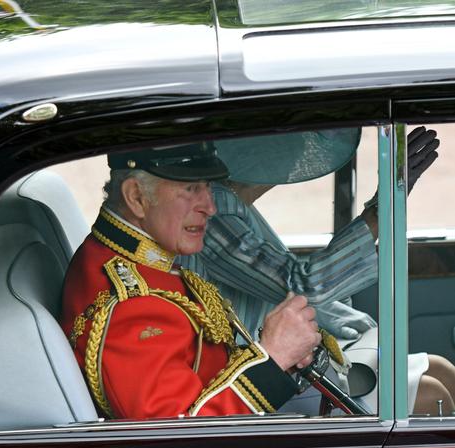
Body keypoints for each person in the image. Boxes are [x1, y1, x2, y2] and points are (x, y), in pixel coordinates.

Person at [180, 126, 455, 415]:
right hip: (260, 372)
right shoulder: (216, 211)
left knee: (441, 369)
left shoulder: (233, 205)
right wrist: (380, 208)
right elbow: (304, 285)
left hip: (295, 357)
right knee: (432, 394)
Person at [61, 143, 323, 420]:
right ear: (136, 197)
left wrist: (276, 361)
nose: (210, 207)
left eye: (207, 186)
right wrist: (274, 358)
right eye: (190, 189)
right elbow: (180, 440)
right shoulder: (131, 308)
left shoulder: (130, 258)